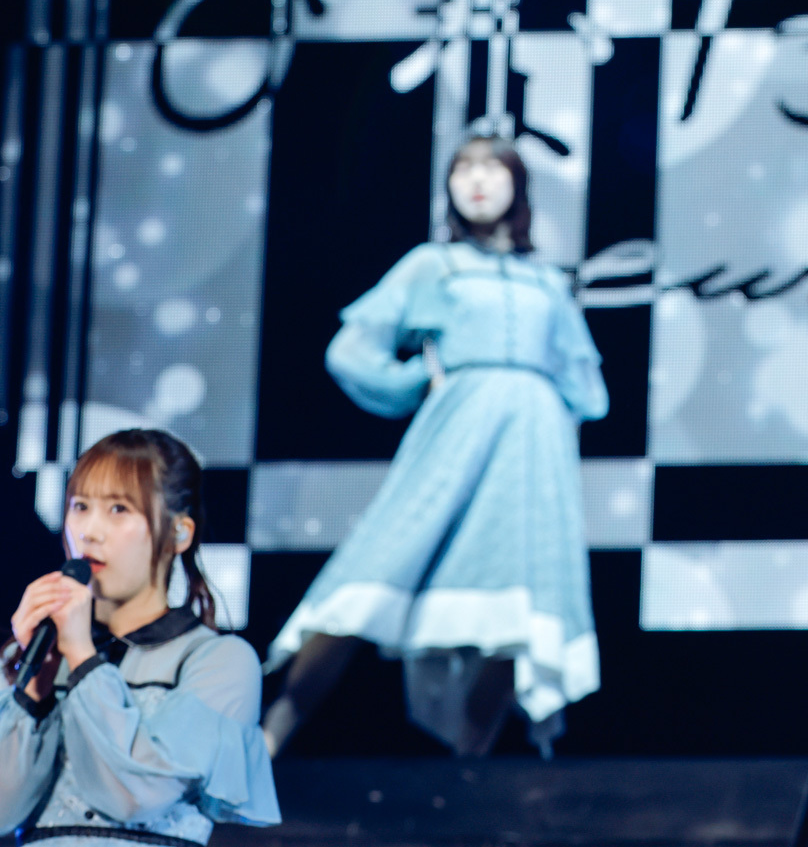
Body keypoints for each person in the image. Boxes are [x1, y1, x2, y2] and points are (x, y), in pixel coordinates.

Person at [262, 135, 609, 758]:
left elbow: (589, 387)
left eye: (491, 168)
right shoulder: (432, 265)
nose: (477, 181)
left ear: (516, 184)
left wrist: (547, 404)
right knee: (375, 567)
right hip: (459, 429)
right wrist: (414, 381)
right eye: (463, 169)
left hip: (532, 448)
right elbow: (350, 350)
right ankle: (271, 735)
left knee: (517, 604)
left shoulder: (546, 281)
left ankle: (467, 765)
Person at [1, 429, 280, 845]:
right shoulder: (35, 653)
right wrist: (33, 690)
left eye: (118, 509)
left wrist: (83, 658)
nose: (89, 531)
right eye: (80, 506)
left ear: (179, 533)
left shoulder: (218, 660)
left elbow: (137, 796)